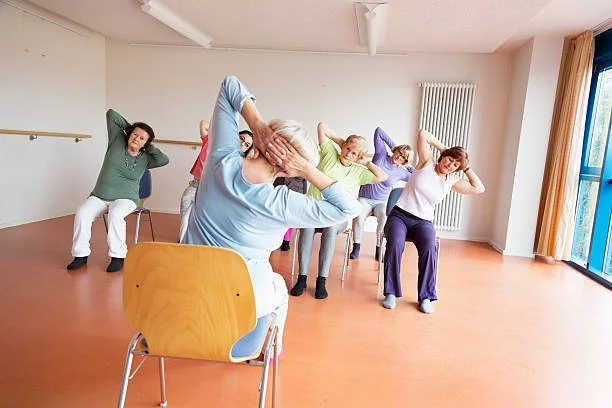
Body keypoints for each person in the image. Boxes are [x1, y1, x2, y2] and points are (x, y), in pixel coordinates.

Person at [183, 76, 361, 355]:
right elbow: (350, 209)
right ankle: (271, 352)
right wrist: (307, 170)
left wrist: (258, 126)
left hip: (181, 314)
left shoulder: (221, 160)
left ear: (261, 140)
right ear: (289, 169)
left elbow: (229, 85)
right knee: (277, 286)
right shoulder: (283, 204)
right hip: (234, 327)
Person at [382, 129, 485, 313]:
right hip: (400, 215)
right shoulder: (426, 162)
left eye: (455, 165)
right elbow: (423, 134)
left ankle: (426, 297)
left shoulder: (451, 181)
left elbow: (479, 188)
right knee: (395, 244)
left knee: (430, 250)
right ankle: (390, 292)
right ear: (443, 156)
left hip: (423, 222)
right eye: (449, 160)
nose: (450, 165)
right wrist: (445, 149)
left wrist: (466, 167)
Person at [290, 122, 388, 300]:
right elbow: (321, 126)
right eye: (347, 149)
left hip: (336, 214)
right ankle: (302, 278)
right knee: (306, 229)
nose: (348, 154)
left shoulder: (359, 172)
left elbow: (383, 177)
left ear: (359, 156)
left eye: (354, 153)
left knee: (329, 229)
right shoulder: (329, 153)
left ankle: (322, 281)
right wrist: (341, 141)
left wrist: (366, 162)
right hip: (313, 209)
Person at [66, 109, 169, 272]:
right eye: (135, 135)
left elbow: (164, 160)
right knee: (82, 214)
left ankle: (118, 256)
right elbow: (111, 114)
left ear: (146, 144)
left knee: (115, 215)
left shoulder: (146, 158)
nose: (136, 138)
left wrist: (147, 146)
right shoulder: (117, 140)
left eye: (142, 138)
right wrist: (132, 129)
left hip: (126, 198)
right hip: (100, 195)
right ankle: (80, 255)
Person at [178, 119, 253, 242]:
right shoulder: (213, 143)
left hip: (213, 192)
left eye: (247, 145)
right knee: (185, 217)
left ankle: (190, 243)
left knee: (204, 222)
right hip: (195, 185)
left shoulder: (239, 161)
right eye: (241, 139)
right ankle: (184, 243)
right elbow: (204, 123)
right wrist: (226, 132)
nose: (242, 144)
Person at [350, 127, 414, 261]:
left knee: (383, 218)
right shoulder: (381, 155)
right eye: (399, 153)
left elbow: (416, 176)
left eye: (403, 157)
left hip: (381, 202)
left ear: (405, 160)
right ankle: (356, 246)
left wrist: (408, 166)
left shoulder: (401, 172)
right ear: (394, 151)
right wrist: (394, 146)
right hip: (365, 199)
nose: (399, 157)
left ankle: (379, 250)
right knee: (358, 215)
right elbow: (379, 131)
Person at [272, 176, 307, 251]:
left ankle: (285, 241)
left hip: (293, 187)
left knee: (288, 214)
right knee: (282, 214)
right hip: (282, 184)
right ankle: (283, 240)